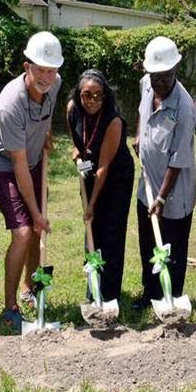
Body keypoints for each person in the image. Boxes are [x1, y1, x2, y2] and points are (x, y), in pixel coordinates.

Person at [0, 31, 63, 332]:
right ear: (26, 66)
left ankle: (30, 288)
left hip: (32, 157)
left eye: (51, 69)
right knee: (24, 231)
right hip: (5, 164)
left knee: (35, 227)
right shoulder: (9, 104)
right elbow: (17, 166)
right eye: (40, 68)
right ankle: (10, 307)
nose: (46, 75)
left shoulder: (53, 85)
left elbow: (48, 111)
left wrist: (45, 133)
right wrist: (37, 213)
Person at [132, 36, 196, 309]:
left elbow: (178, 159)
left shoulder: (185, 108)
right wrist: (138, 135)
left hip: (174, 192)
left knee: (172, 247)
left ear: (175, 71)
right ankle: (149, 293)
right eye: (155, 76)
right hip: (147, 183)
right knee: (148, 242)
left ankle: (171, 296)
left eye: (165, 77)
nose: (159, 82)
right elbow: (141, 111)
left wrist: (161, 198)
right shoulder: (146, 84)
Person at [66, 69, 135, 303]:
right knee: (91, 231)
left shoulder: (113, 121)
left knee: (111, 233)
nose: (92, 101)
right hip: (91, 170)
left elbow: (104, 167)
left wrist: (92, 203)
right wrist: (79, 162)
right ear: (79, 94)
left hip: (116, 176)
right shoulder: (72, 110)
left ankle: (109, 295)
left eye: (98, 95)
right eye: (87, 95)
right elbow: (79, 146)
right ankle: (93, 291)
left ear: (105, 96)